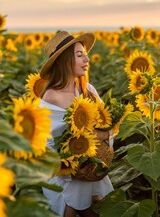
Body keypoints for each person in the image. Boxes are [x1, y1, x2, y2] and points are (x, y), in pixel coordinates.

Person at [40, 31, 114, 217]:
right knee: (76, 197)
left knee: (96, 201)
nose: (86, 59)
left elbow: (110, 126)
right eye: (79, 55)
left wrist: (96, 137)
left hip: (89, 167)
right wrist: (70, 170)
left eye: (85, 54)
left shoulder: (87, 90)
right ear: (64, 61)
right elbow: (45, 147)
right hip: (60, 174)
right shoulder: (51, 97)